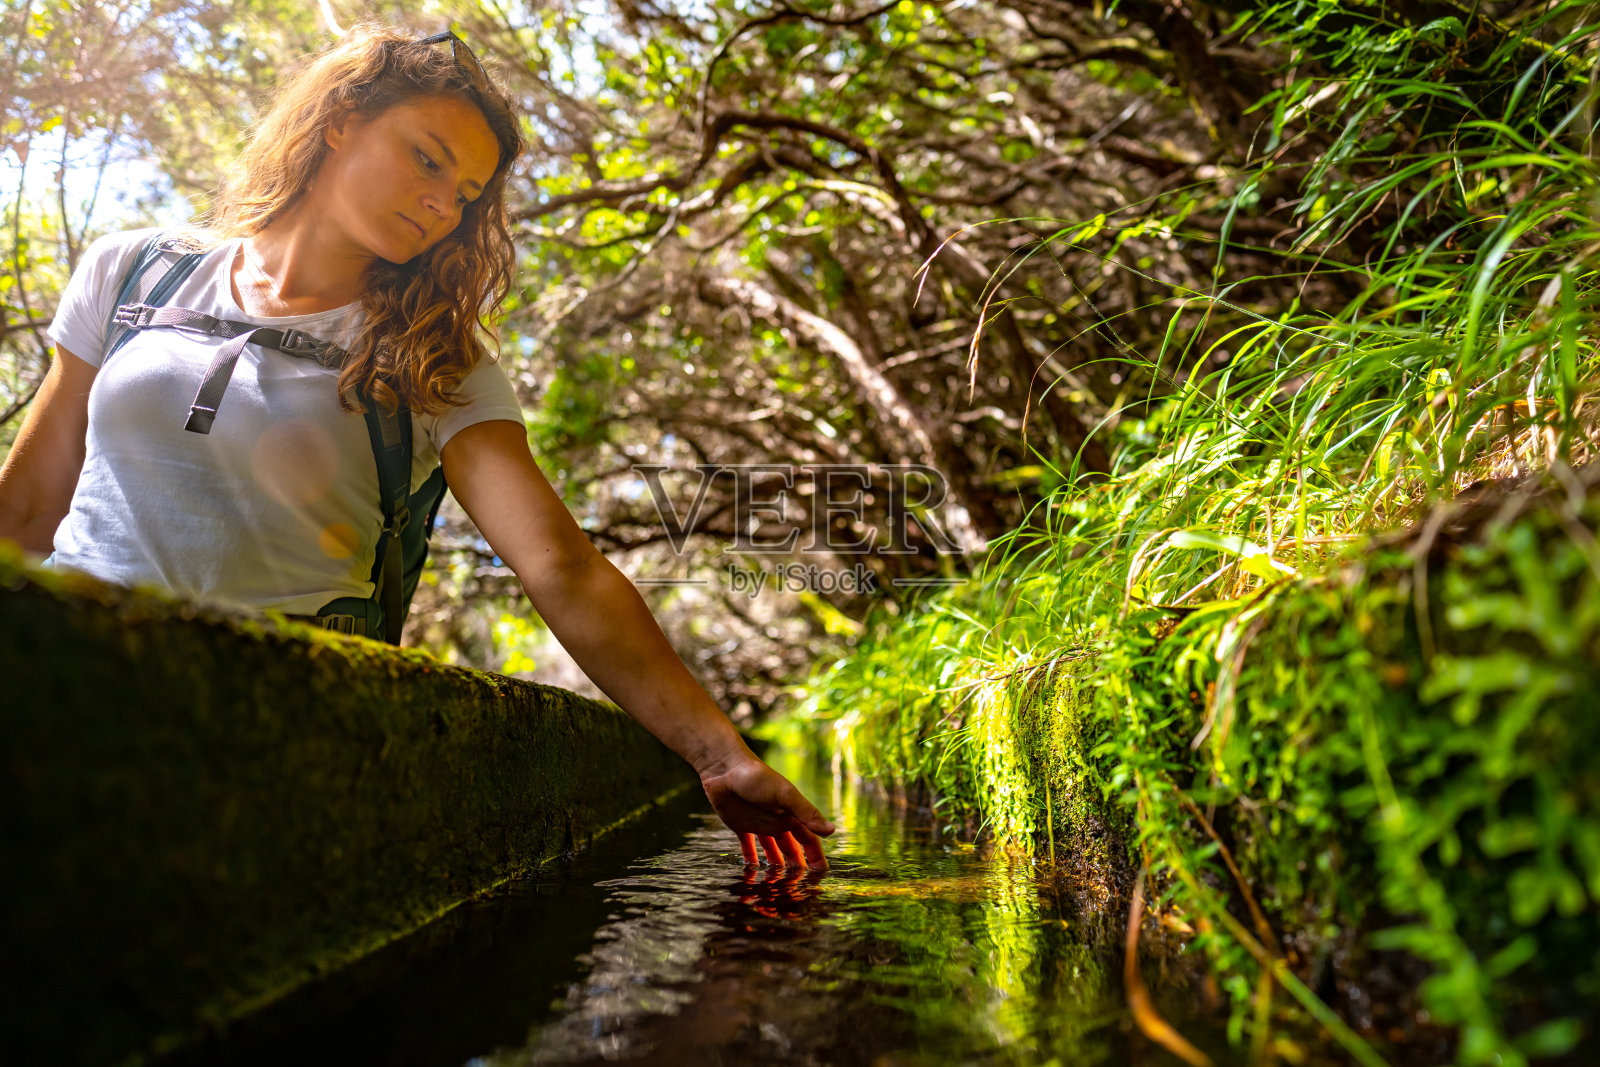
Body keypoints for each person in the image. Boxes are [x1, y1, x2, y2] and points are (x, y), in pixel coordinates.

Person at [0, 24, 832, 870]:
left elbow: (560, 567)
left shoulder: (440, 357)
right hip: (71, 692)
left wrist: (719, 754)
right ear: (340, 120)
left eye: (468, 192)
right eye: (428, 159)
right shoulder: (134, 271)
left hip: (275, 739)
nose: (447, 205)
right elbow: (28, 508)